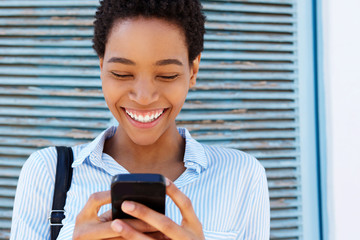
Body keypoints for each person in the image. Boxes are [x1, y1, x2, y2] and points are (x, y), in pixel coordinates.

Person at [10, 0, 270, 239]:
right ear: (101, 67)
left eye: (167, 75)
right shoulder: (47, 172)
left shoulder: (242, 176)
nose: (144, 97)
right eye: (122, 74)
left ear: (193, 70)